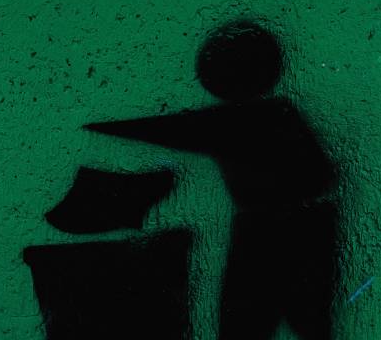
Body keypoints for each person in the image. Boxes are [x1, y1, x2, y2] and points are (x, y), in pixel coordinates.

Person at [89, 19, 339, 340]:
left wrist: (101, 128)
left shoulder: (255, 120)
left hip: (270, 233)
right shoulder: (276, 116)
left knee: (254, 323)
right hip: (293, 230)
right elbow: (324, 177)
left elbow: (180, 131)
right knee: (291, 323)